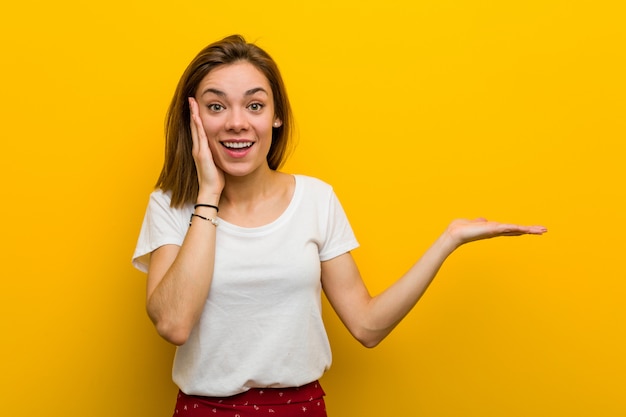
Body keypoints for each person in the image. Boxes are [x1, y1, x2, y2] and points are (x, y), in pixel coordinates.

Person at [132, 34, 547, 416]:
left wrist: (448, 240)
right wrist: (207, 196)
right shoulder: (170, 205)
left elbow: (367, 326)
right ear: (194, 118)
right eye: (216, 106)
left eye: (255, 105)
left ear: (276, 117)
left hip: (301, 407)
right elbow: (173, 323)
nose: (237, 122)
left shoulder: (316, 200)